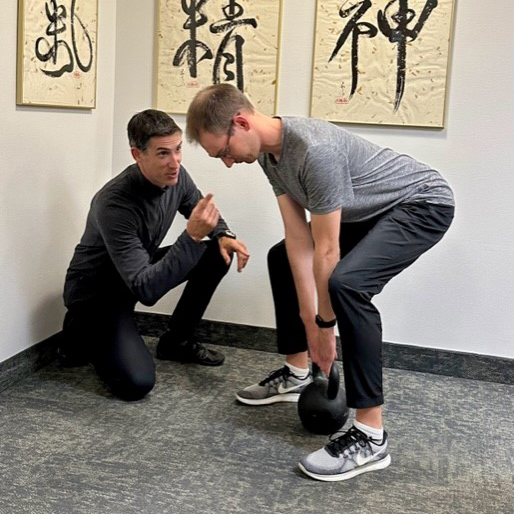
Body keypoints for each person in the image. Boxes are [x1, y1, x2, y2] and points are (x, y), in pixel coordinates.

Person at [185, 84, 455, 482]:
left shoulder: (316, 151)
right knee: (280, 256)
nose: (226, 163)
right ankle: (297, 372)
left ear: (241, 123)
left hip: (421, 204)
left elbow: (327, 250)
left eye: (223, 151)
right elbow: (298, 239)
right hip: (369, 210)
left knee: (347, 285)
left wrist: (325, 328)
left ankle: (370, 437)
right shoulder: (269, 155)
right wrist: (308, 322)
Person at [59, 109, 249, 401]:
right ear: (138, 154)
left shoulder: (176, 175)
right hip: (99, 293)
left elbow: (199, 207)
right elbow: (147, 291)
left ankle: (176, 341)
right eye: (163, 154)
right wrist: (192, 236)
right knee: (137, 384)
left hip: (137, 272)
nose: (174, 162)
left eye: (178, 150)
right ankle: (82, 332)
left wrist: (224, 235)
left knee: (216, 252)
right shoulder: (115, 203)